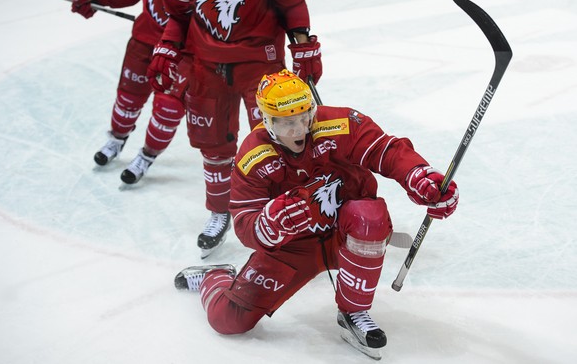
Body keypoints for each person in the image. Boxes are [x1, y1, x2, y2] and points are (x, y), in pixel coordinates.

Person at [173, 70, 460, 359]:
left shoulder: (340, 123)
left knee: (369, 215)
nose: (298, 130)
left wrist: (419, 176)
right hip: (291, 248)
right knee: (228, 319)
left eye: (303, 117)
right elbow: (245, 223)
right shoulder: (253, 155)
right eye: (286, 123)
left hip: (342, 233)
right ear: (268, 121)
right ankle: (217, 275)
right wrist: (269, 224)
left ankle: (354, 312)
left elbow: (386, 150)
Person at [148, 0, 323, 258]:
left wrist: (303, 47)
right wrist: (168, 45)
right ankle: (219, 211)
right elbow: (179, 15)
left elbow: (291, 2)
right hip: (207, 65)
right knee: (213, 144)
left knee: (278, 142)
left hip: (260, 61)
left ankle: (292, 216)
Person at [71, 0, 188, 184]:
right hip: (144, 42)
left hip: (183, 52)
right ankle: (116, 139)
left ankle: (147, 156)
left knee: (168, 110)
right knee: (128, 98)